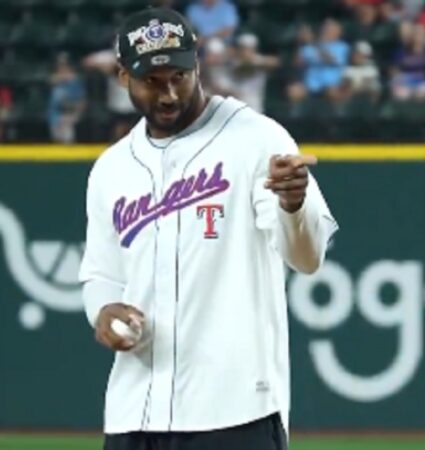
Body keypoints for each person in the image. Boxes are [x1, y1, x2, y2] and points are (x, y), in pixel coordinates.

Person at [78, 7, 337, 450]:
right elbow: (101, 274)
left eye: (179, 75)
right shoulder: (112, 168)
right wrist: (102, 310)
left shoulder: (258, 139)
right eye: (152, 81)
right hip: (134, 409)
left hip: (235, 409)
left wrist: (294, 205)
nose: (169, 94)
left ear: (198, 65)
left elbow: (307, 258)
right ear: (123, 77)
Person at [203, 33, 279, 113]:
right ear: (239, 49)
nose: (246, 51)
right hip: (235, 108)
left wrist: (251, 62)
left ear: (254, 49)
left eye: (249, 48)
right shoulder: (232, 62)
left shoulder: (258, 61)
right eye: (243, 48)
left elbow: (275, 63)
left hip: (254, 107)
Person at [287, 19, 351, 105]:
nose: (326, 31)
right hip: (309, 85)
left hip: (330, 86)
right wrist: (300, 42)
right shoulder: (308, 46)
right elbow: (297, 64)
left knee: (333, 93)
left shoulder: (342, 47)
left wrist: (313, 42)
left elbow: (331, 60)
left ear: (338, 32)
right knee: (292, 91)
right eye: (325, 28)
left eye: (330, 29)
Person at [83, 46, 139, 141]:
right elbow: (87, 62)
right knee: (118, 129)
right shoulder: (109, 57)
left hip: (133, 105)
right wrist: (107, 67)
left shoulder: (137, 56)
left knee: (133, 131)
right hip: (116, 105)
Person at [48, 53, 85, 144]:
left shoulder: (75, 82)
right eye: (60, 65)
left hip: (68, 116)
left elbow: (82, 101)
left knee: (68, 143)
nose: (62, 68)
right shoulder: (53, 80)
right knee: (56, 143)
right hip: (54, 117)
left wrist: (76, 115)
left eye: (64, 65)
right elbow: (51, 81)